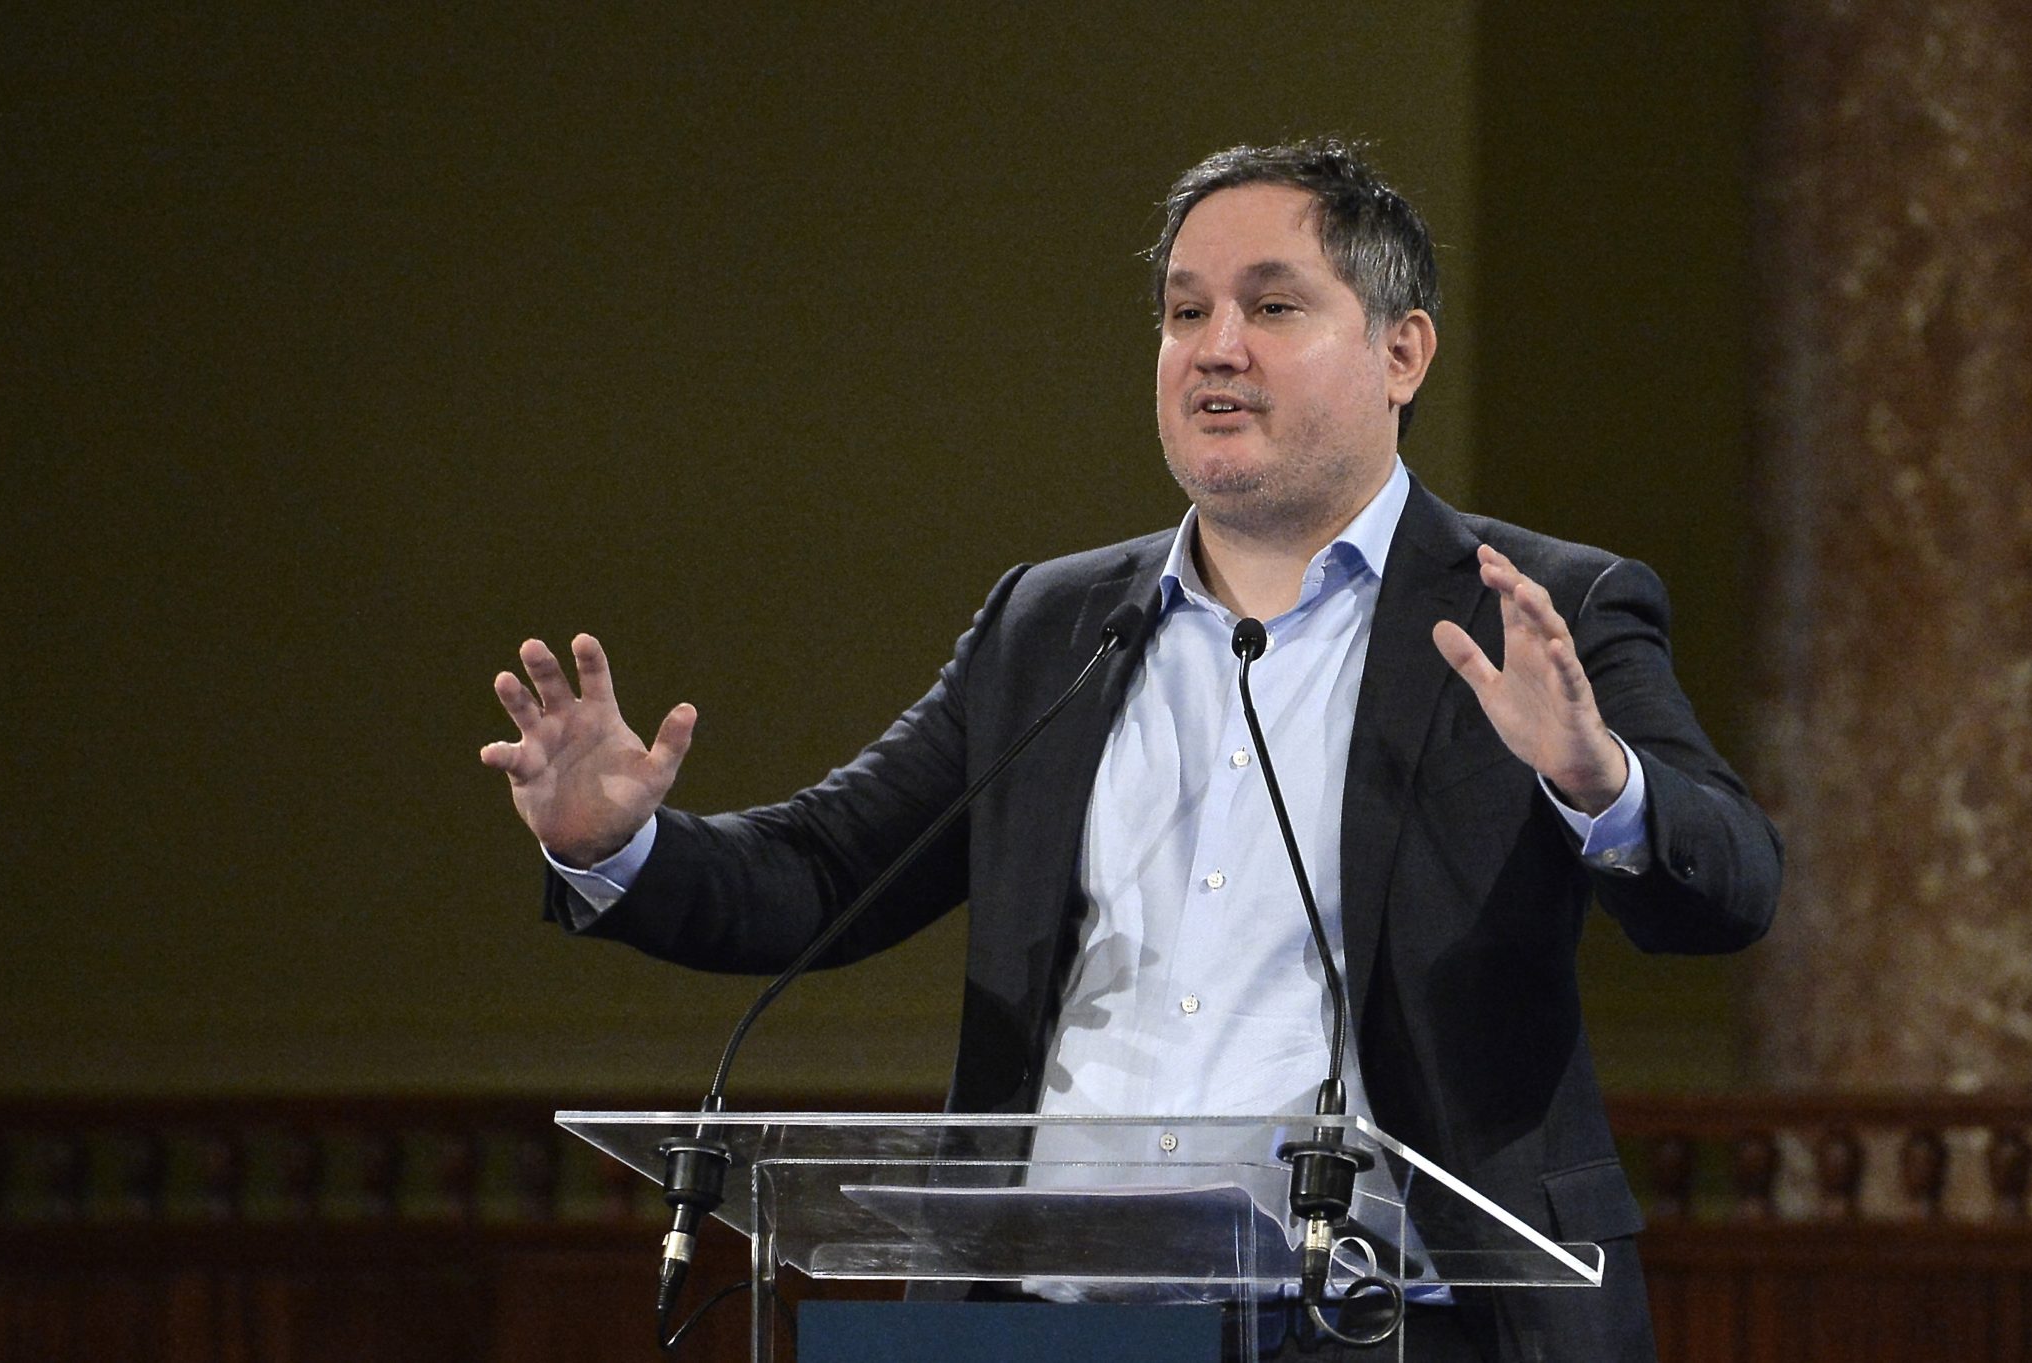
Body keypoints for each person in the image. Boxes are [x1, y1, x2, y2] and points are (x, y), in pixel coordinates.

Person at [481, 138, 1782, 1363]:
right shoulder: (1049, 625)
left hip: (1395, 1326)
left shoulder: (1535, 609)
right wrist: (617, 846)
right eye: (1184, 311)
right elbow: (823, 873)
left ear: (1402, 351)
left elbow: (1732, 883)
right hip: (1060, 1326)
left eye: (1273, 307)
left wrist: (1598, 782)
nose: (1216, 347)